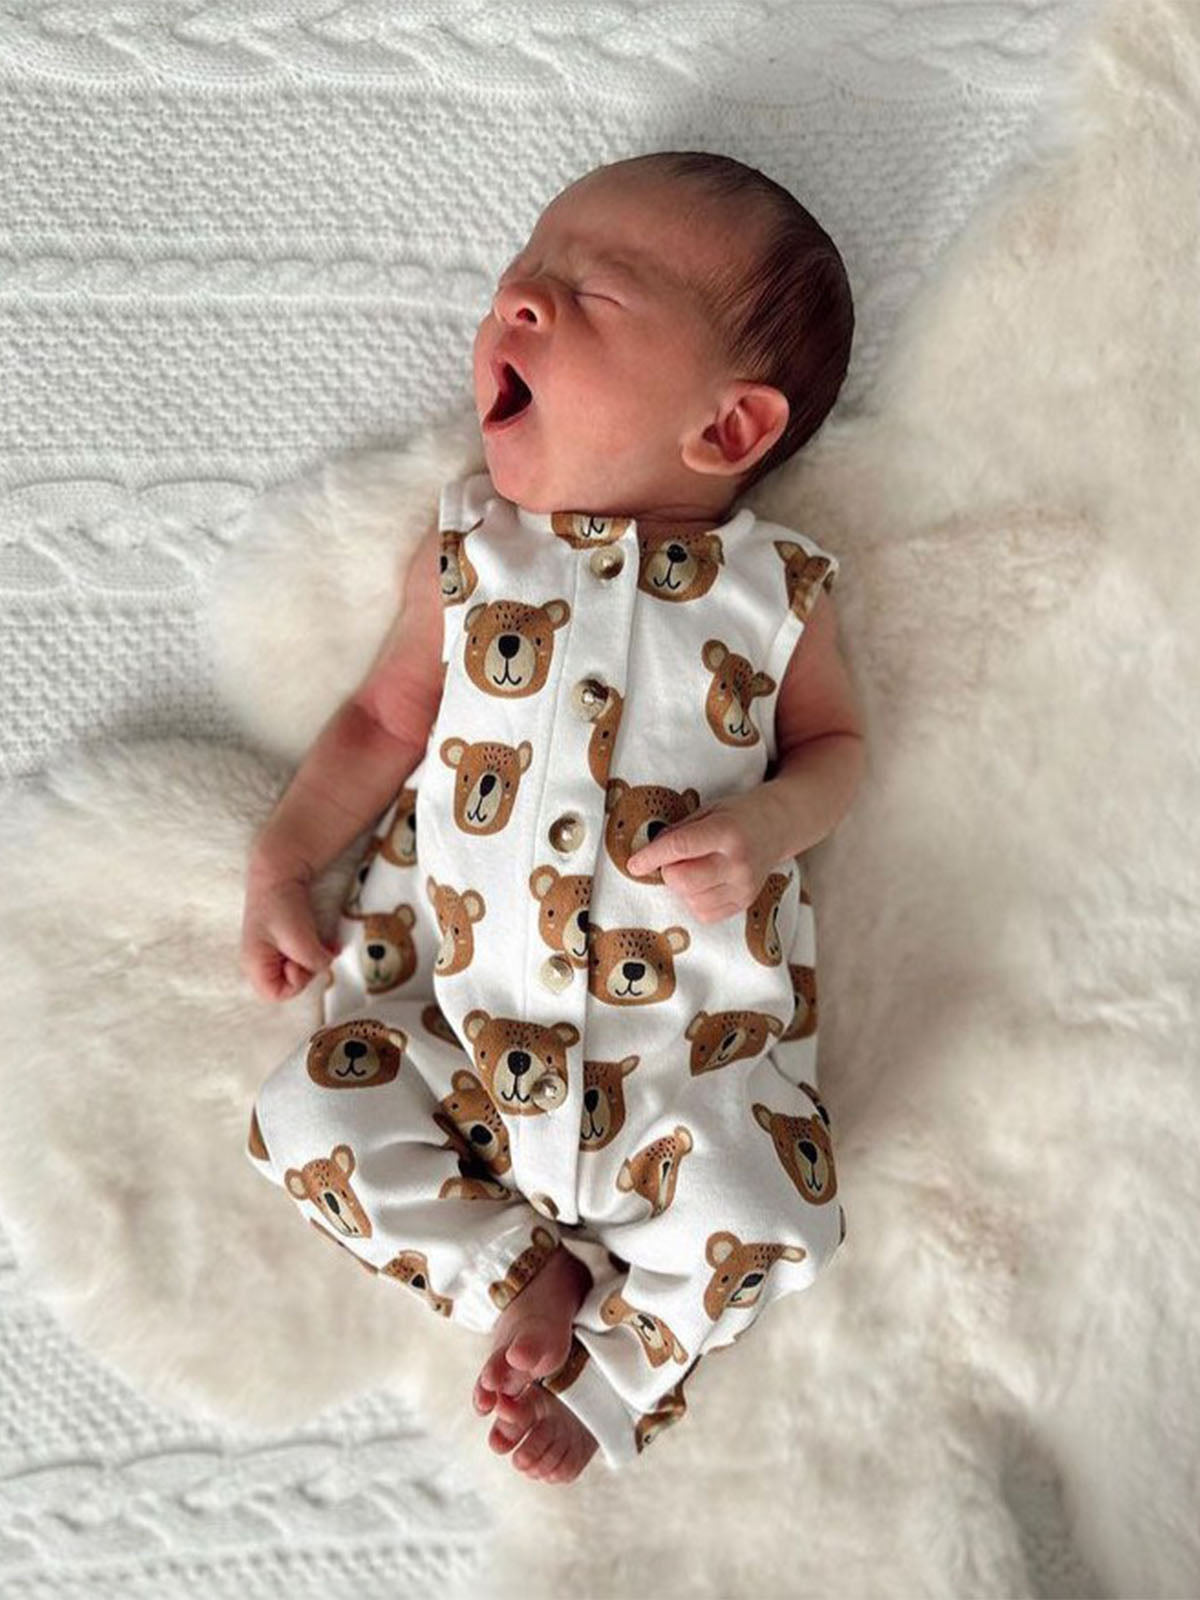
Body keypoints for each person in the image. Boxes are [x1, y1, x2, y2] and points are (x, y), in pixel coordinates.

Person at [241, 151, 865, 1484]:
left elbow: (840, 753)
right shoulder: (470, 560)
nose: (519, 295)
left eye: (594, 291)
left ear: (732, 429)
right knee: (302, 1113)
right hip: (453, 1049)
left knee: (777, 1208)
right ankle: (511, 1274)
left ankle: (625, 1369)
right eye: (524, 267)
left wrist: (769, 828)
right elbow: (375, 725)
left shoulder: (772, 594)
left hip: (684, 1075)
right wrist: (288, 855)